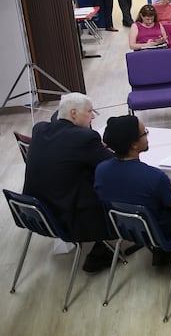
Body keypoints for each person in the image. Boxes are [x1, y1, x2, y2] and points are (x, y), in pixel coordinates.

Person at [23, 92, 114, 273]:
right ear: (73, 113)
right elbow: (111, 165)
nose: (93, 116)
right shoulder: (84, 138)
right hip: (68, 216)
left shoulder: (39, 129)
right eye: (89, 111)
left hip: (36, 212)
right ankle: (104, 248)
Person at [96, 115, 171, 266]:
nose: (147, 136)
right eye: (144, 133)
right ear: (134, 145)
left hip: (124, 229)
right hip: (159, 230)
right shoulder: (154, 177)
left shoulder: (101, 170)